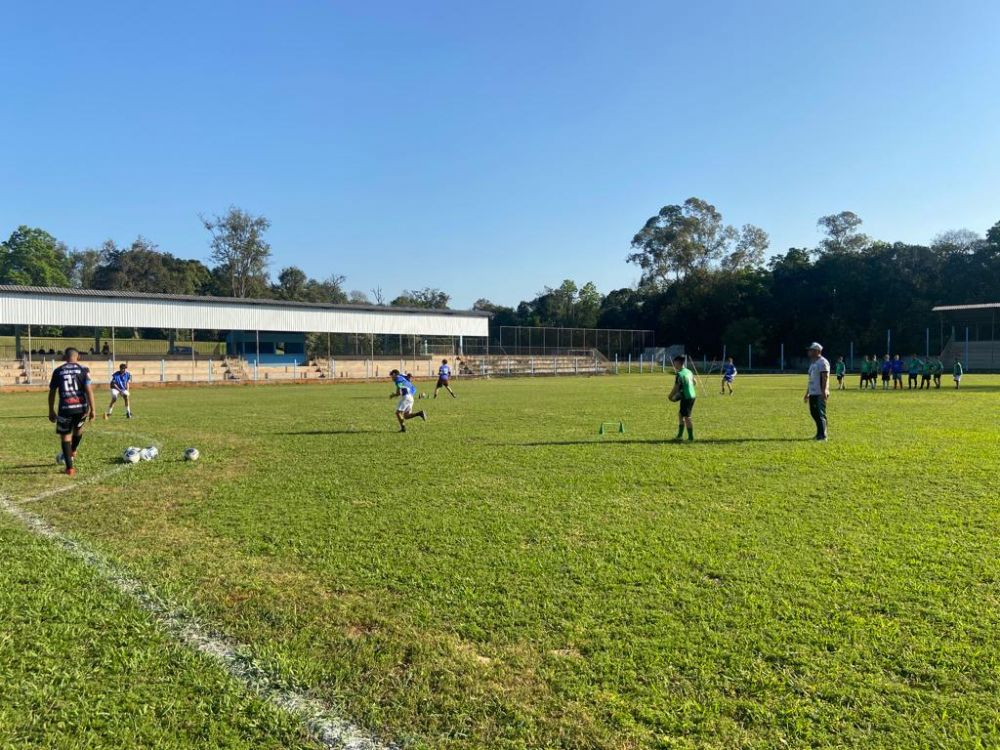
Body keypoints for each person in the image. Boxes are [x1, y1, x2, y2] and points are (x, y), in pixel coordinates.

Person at [48, 348, 96, 477]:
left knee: (65, 437)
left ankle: (70, 469)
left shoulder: (58, 371)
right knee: (79, 430)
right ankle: (73, 450)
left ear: (64, 357)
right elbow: (89, 390)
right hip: (81, 408)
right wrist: (93, 409)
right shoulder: (83, 370)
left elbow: (52, 392)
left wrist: (51, 410)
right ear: (78, 357)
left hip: (65, 409)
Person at [803, 342, 830, 441]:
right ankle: (819, 433)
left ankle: (823, 436)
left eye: (811, 350)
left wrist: (824, 391)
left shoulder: (823, 362)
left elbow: (825, 376)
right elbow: (811, 380)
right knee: (814, 413)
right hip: (813, 392)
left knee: (820, 414)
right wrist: (807, 393)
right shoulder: (813, 363)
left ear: (817, 351)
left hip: (819, 393)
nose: (809, 352)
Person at [668, 354, 697, 441]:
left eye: (674, 363)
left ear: (678, 363)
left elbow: (676, 387)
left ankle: (691, 438)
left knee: (687, 417)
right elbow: (695, 382)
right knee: (681, 414)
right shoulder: (689, 371)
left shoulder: (679, 374)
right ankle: (680, 436)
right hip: (691, 395)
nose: (674, 365)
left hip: (686, 397)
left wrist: (670, 396)